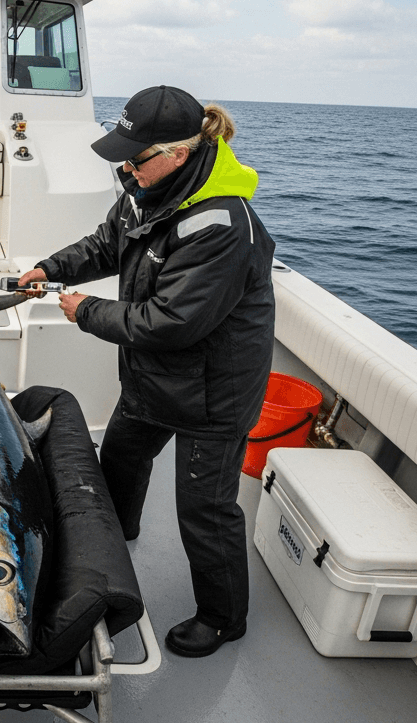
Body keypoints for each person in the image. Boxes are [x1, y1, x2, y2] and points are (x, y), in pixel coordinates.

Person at [16, 86, 275, 658]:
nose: (126, 170)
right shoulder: (144, 191)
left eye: (136, 158)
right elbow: (107, 245)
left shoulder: (224, 226)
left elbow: (168, 323)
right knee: (122, 459)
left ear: (179, 154)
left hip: (214, 394)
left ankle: (223, 616)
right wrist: (49, 268)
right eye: (123, 159)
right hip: (154, 379)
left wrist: (85, 310)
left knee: (204, 510)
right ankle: (113, 539)